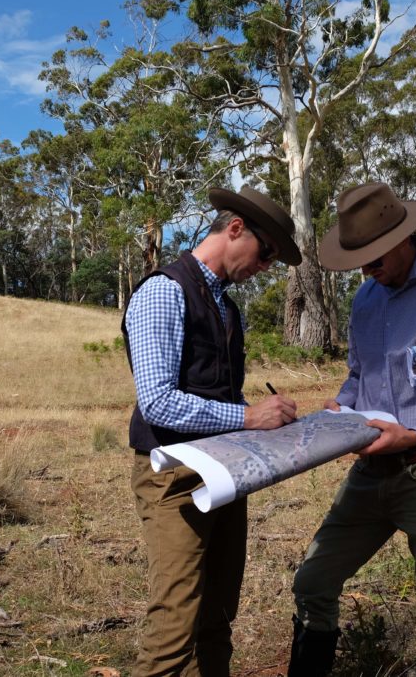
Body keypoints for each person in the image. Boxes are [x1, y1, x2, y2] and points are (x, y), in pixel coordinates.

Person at [287, 182, 416, 677]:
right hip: (368, 475)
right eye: (359, 259)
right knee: (312, 582)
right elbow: (361, 376)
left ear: (406, 238)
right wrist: (341, 406)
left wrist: (415, 436)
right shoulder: (365, 301)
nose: (367, 269)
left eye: (375, 257)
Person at [123, 186, 302, 676]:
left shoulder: (226, 306)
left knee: (219, 615)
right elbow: (158, 402)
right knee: (174, 624)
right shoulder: (164, 291)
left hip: (223, 472)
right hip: (173, 477)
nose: (264, 268)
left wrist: (267, 419)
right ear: (236, 229)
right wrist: (249, 417)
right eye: (266, 254)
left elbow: (215, 395)